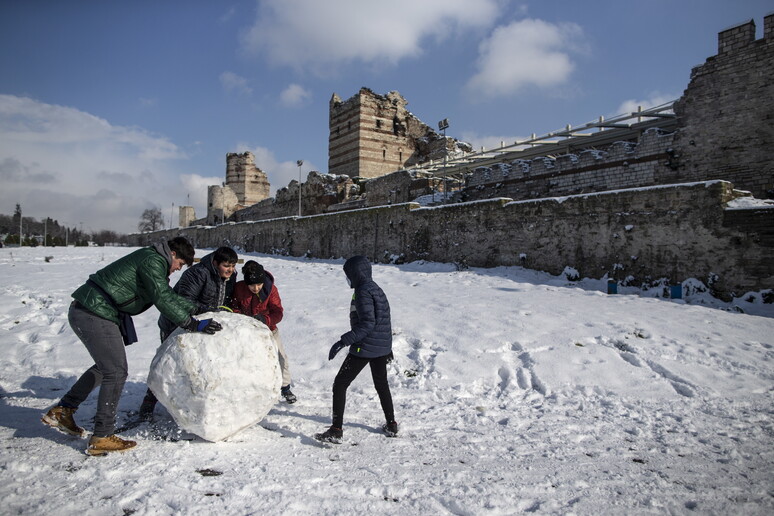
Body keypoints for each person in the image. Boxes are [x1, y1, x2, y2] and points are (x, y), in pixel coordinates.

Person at [41, 237, 223, 456]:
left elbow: (169, 295)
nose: (177, 269)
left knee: (105, 367)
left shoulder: (153, 260)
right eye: (180, 264)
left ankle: (64, 410)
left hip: (93, 310)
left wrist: (197, 308)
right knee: (116, 372)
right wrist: (191, 323)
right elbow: (162, 298)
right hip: (94, 311)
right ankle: (102, 436)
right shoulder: (153, 261)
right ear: (173, 254)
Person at [138, 246, 239, 420]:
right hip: (177, 323)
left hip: (204, 325)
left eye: (233, 266)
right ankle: (148, 405)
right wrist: (208, 311)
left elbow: (227, 300)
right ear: (215, 263)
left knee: (200, 366)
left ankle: (193, 406)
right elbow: (184, 302)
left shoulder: (231, 276)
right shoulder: (197, 273)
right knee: (168, 364)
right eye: (226, 266)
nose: (230, 270)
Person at [315, 255, 398, 444]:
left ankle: (336, 429)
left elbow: (368, 324)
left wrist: (343, 341)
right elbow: (385, 320)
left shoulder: (362, 292)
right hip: (380, 346)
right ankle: (391, 424)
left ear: (355, 273)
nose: (348, 279)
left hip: (365, 345)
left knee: (340, 383)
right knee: (381, 384)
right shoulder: (377, 289)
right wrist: (387, 347)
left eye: (348, 275)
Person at [230, 260, 297, 404]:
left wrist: (265, 319)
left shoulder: (271, 289)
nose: (255, 288)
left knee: (281, 357)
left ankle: (285, 387)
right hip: (247, 331)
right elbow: (234, 306)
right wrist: (243, 319)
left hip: (269, 330)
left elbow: (278, 312)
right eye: (252, 285)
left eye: (259, 284)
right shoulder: (239, 288)